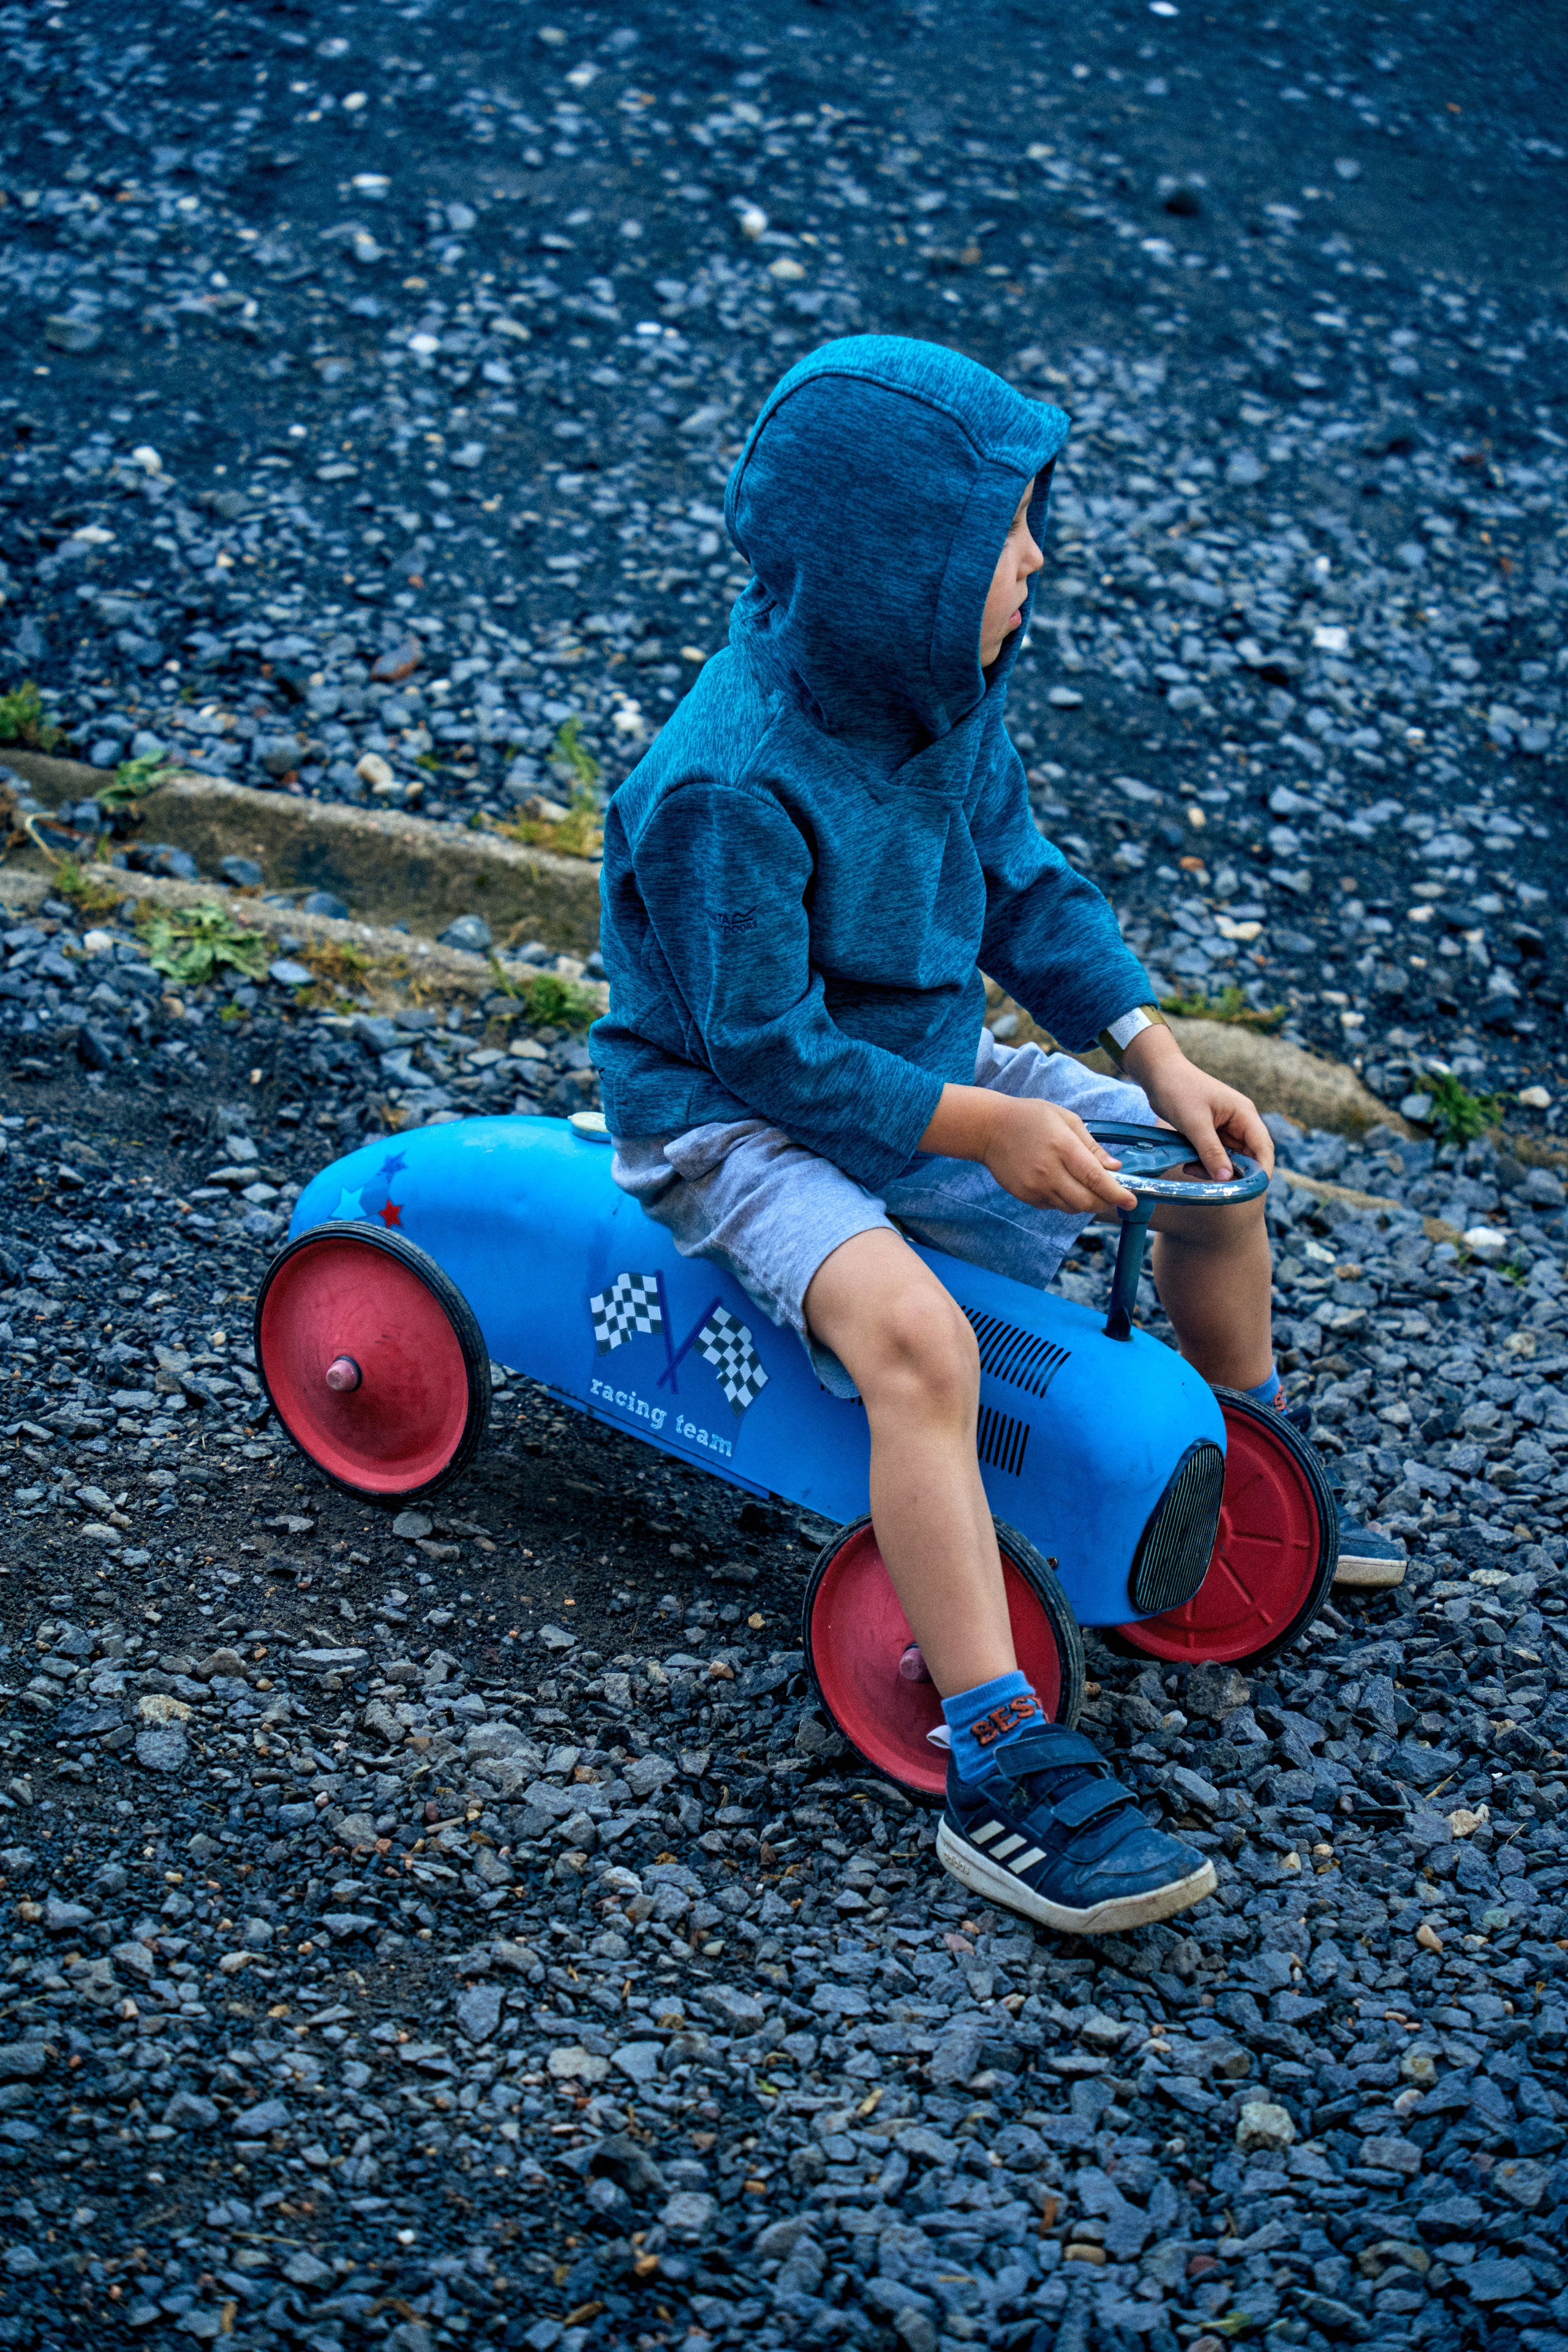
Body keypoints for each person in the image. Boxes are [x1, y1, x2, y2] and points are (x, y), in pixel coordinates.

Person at [592, 337, 1299, 1934]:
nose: (1037, 557)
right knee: (921, 1346)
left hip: (912, 1064)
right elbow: (766, 1054)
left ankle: (1247, 1455)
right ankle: (1001, 1761)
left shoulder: (942, 692)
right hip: (731, 1120)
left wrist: (1151, 1048)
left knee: (1216, 1171)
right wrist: (981, 1126)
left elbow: (1029, 881)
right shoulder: (725, 787)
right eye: (1008, 534)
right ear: (898, 570)